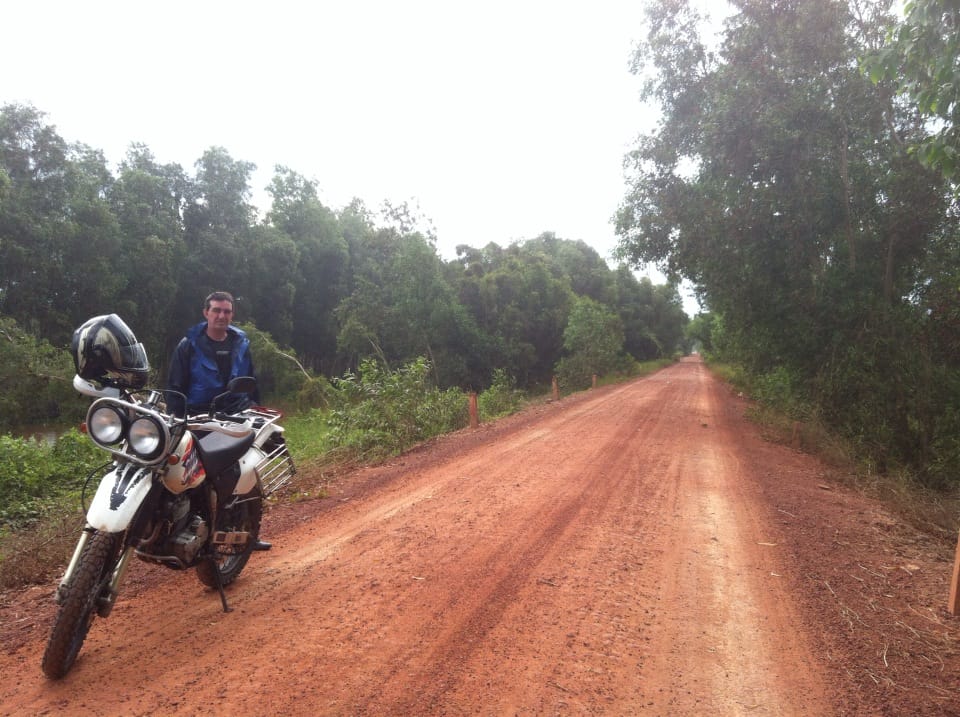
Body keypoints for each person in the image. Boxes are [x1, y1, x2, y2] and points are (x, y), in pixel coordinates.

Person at [167, 290, 270, 551]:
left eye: (226, 311)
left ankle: (248, 533)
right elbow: (175, 386)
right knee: (196, 476)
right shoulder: (188, 345)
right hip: (199, 417)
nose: (221, 316)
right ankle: (193, 530)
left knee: (246, 471)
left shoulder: (240, 342)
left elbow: (250, 378)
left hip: (236, 413)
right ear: (206, 313)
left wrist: (256, 406)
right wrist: (177, 422)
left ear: (232, 314)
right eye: (216, 310)